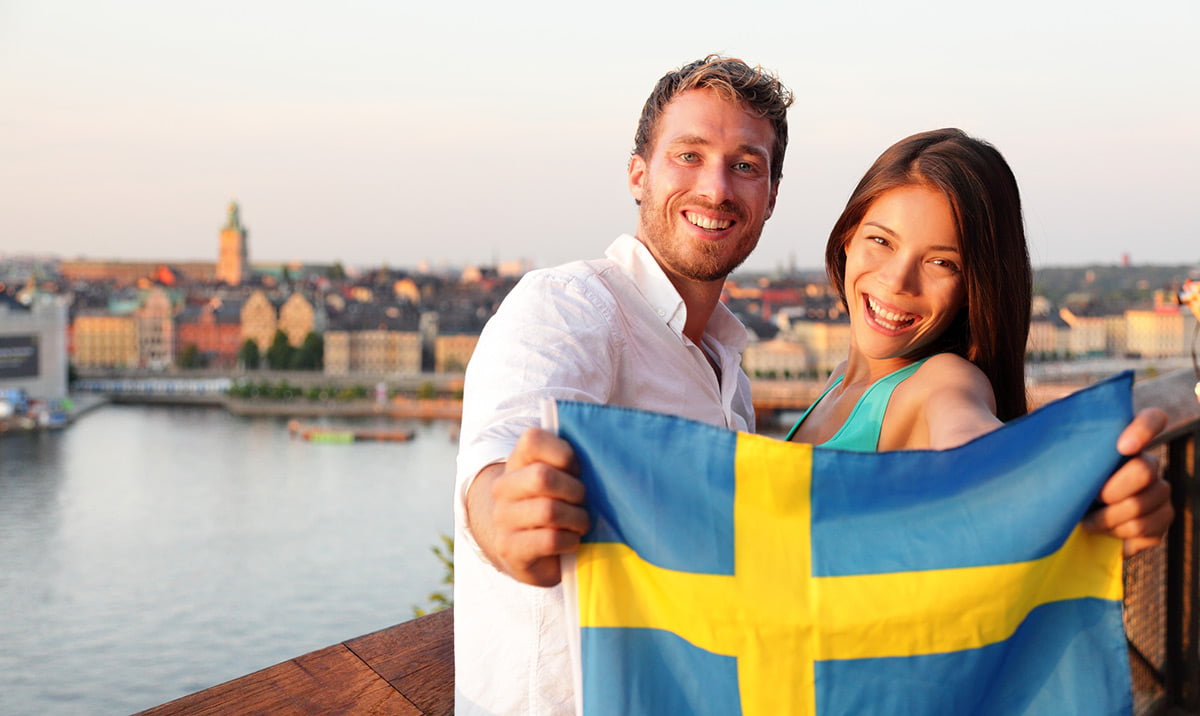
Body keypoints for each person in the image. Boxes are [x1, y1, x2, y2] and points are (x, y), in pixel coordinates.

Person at [454, 57, 1172, 715]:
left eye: (745, 165)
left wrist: (1064, 486)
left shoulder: (931, 380)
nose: (715, 186)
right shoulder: (572, 307)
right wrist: (503, 511)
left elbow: (973, 443)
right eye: (689, 156)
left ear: (769, 197)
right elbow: (500, 447)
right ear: (639, 172)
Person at [784, 128, 1032, 451]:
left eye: (941, 262)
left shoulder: (943, 381)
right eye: (881, 241)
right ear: (848, 237)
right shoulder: (838, 381)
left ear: (973, 289)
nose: (898, 281)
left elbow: (971, 434)